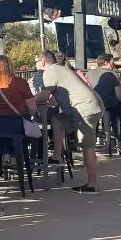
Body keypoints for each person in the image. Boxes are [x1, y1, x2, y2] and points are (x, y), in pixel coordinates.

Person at [37, 50, 104, 194]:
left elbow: (44, 95)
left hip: (85, 109)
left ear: (42, 62)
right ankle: (57, 156)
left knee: (87, 146)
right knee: (57, 121)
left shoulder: (50, 71)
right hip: (88, 106)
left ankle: (92, 185)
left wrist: (26, 101)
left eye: (36, 61)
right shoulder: (61, 69)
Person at [0, 54, 37, 170]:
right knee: (24, 134)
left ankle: (2, 159)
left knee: (0, 133)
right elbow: (32, 107)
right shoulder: (20, 82)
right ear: (10, 66)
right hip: (17, 125)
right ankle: (15, 157)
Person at [88, 54, 121, 149]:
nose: (113, 64)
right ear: (106, 62)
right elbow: (119, 94)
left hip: (93, 105)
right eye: (112, 62)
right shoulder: (112, 74)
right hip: (109, 106)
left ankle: (93, 141)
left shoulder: (89, 73)